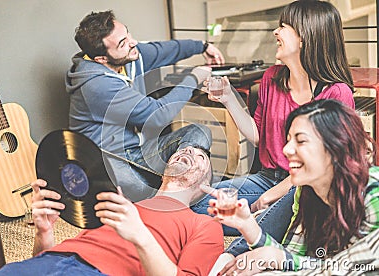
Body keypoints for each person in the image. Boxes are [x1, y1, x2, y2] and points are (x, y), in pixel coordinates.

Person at [192, 0, 355, 236]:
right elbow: (259, 138)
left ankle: (259, 227)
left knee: (266, 218)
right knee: (200, 204)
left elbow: (323, 166)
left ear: (305, 37)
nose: (275, 32)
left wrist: (266, 199)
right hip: (267, 178)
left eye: (284, 26)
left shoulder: (336, 93)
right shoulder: (271, 78)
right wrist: (228, 97)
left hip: (306, 186)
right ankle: (262, 223)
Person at [66, 10, 225, 201]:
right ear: (102, 59)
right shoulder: (97, 84)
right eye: (122, 43)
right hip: (108, 161)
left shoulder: (129, 56)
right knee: (139, 190)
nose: (132, 43)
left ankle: (182, 187)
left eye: (128, 34)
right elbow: (157, 115)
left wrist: (203, 46)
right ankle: (183, 194)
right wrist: (193, 78)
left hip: (138, 151)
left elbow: (164, 50)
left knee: (199, 132)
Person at [205, 99, 379, 275]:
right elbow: (294, 257)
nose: (286, 150)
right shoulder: (307, 190)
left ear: (336, 147)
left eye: (301, 141)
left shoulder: (373, 194)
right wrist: (249, 227)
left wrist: (279, 259)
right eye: (288, 140)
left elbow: (353, 268)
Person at [0, 146, 224, 276]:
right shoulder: (120, 204)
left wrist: (140, 236)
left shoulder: (205, 225)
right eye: (184, 149)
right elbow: (49, 259)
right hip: (50, 262)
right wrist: (44, 232)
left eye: (200, 157)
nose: (189, 152)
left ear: (206, 185)